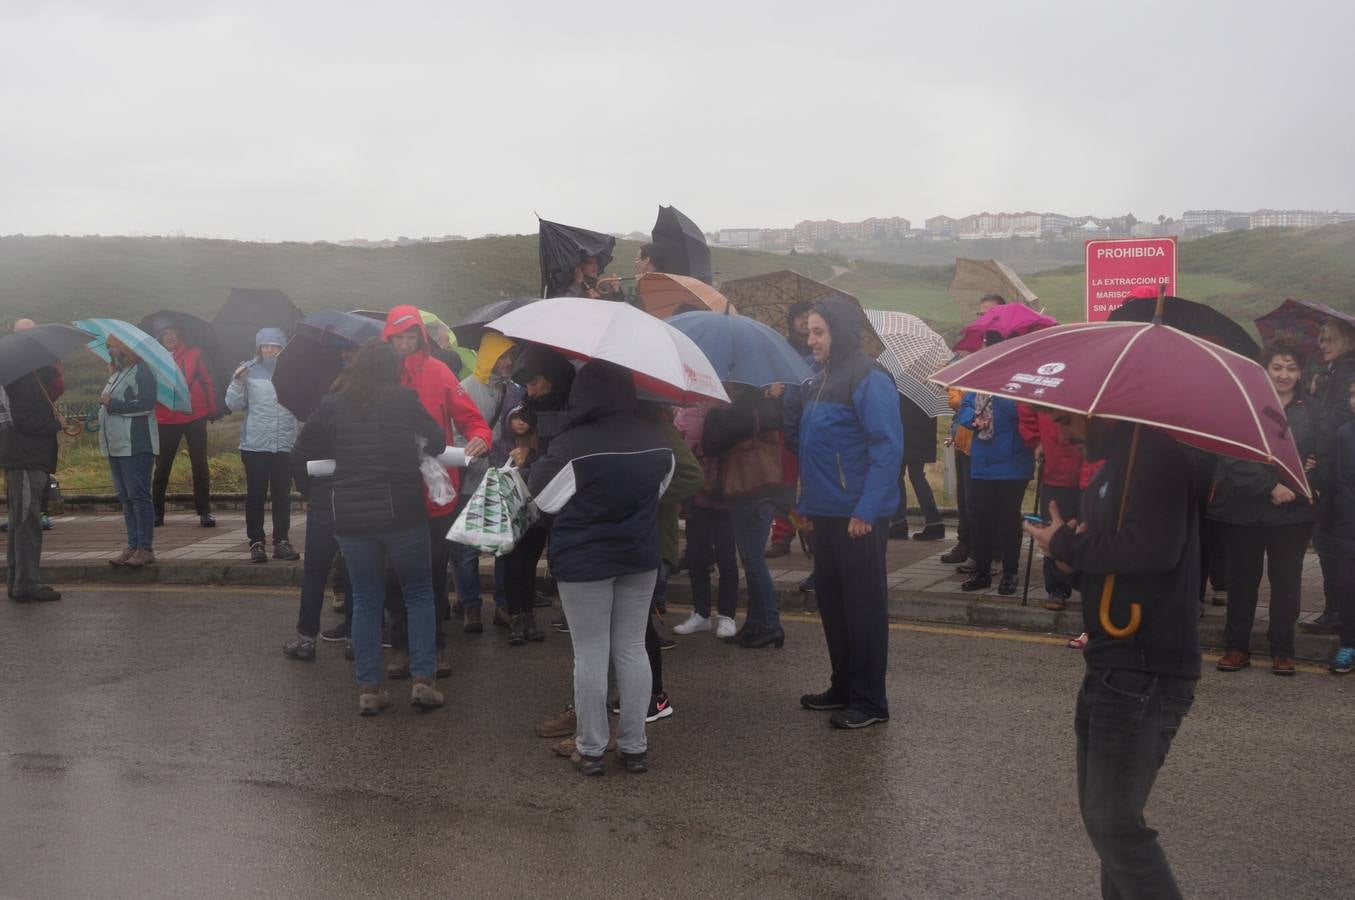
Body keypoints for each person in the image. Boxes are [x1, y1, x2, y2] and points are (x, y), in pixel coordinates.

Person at [1025, 414, 1204, 900]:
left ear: (1102, 410)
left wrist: (1065, 543)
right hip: (1113, 660)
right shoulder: (1119, 465)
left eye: (1068, 421)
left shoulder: (1156, 459)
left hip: (1143, 668)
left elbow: (1155, 550)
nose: (1063, 435)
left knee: (1113, 823)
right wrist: (1071, 559)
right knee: (1107, 822)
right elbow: (1118, 568)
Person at [528, 360, 674, 775]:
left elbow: (543, 503)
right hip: (639, 556)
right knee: (631, 649)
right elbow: (660, 491)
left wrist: (542, 460)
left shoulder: (573, 444)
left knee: (590, 652)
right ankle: (634, 746)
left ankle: (591, 747)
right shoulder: (657, 440)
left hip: (584, 560)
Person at [294, 340, 449, 714]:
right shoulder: (403, 399)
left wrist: (312, 490)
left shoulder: (333, 404)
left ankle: (369, 689)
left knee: (364, 599)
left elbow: (301, 451)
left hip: (350, 515)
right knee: (419, 592)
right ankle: (423, 680)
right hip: (403, 513)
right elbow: (439, 440)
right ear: (392, 368)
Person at [795, 297, 904, 729]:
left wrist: (868, 508)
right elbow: (814, 446)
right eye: (809, 332)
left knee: (863, 609)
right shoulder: (820, 377)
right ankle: (843, 686)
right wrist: (806, 504)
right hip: (826, 512)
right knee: (834, 607)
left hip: (858, 516)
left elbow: (887, 446)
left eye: (818, 331)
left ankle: (870, 700)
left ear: (838, 332)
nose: (811, 339)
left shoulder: (867, 375)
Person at [381, 306, 491, 676]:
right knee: (393, 572)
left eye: (411, 336)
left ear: (421, 337)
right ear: (388, 338)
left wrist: (480, 437)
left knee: (431, 572)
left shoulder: (440, 372)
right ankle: (400, 648)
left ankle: (433, 647)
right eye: (398, 337)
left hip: (436, 492)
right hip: (391, 490)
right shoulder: (378, 376)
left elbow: (471, 418)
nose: (405, 344)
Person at [1210, 341, 1317, 676]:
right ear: (1265, 369)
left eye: (1291, 368)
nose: (1284, 375)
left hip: (1293, 512)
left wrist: (1293, 487)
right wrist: (1270, 486)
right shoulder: (1244, 406)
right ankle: (1237, 647)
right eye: (1277, 367)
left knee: (1287, 582)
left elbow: (1317, 458)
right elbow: (1234, 452)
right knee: (1242, 581)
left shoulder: (1313, 411)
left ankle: (1282, 649)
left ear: (1300, 373)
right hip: (1245, 509)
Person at [703, 382, 790, 650]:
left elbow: (711, 444)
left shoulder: (739, 408)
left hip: (747, 491)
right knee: (750, 559)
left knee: (753, 560)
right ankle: (754, 624)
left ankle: (772, 624)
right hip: (767, 489)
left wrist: (715, 412)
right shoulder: (765, 404)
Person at [502, 345, 575, 642]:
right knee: (515, 554)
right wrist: (513, 424)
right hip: (525, 483)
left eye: (535, 384)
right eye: (527, 385)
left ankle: (527, 613)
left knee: (532, 555)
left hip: (556, 489)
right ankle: (516, 615)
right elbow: (512, 420)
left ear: (553, 378)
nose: (530, 391)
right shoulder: (530, 401)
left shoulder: (574, 403)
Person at [954, 335, 1034, 595]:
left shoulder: (1020, 379)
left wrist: (999, 394)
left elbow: (1023, 414)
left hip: (1013, 462)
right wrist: (973, 419)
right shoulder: (979, 379)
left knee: (1008, 518)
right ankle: (982, 572)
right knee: (981, 518)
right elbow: (965, 407)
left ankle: (1010, 572)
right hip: (982, 461)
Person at [456, 333, 518, 632]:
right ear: (490, 356)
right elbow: (456, 435)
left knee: (503, 545)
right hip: (472, 480)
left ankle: (504, 606)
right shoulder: (465, 390)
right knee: (468, 550)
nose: (509, 362)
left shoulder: (514, 390)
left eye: (511, 356)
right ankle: (470, 607)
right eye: (503, 355)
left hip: (502, 477)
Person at [226, 328, 300, 563]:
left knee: (282, 496)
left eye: (275, 346)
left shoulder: (293, 371)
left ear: (283, 348)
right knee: (256, 495)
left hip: (285, 444)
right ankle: (256, 542)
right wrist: (237, 381)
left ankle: (281, 541)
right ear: (258, 347)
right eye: (265, 346)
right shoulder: (247, 369)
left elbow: (302, 404)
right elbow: (234, 404)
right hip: (255, 445)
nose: (270, 350)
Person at [1019, 404, 1098, 610]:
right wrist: (1036, 440)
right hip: (1057, 459)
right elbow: (1028, 405)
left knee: (1092, 528)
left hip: (1093, 463)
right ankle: (1057, 587)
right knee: (1054, 526)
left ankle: (1093, 586)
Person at [672, 405, 741, 638]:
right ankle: (701, 613)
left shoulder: (730, 409)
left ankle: (727, 615)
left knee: (726, 559)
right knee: (696, 558)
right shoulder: (685, 412)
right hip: (697, 497)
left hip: (726, 496)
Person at [1305, 316, 1355, 634]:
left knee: (1330, 542)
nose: (1323, 345)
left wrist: (1315, 394)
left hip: (1335, 470)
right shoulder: (1332, 372)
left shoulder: (1345, 371)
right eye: (1321, 339)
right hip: (1330, 467)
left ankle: (1336, 611)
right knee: (1327, 542)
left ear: (1349, 341)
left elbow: (1336, 415)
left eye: (1330, 339)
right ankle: (1334, 609)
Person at [148, 321, 218, 528]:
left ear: (179, 334)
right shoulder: (152, 358)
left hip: (195, 415)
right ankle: (156, 513)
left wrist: (212, 409)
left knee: (200, 465)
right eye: (164, 334)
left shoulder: (194, 353)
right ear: (158, 338)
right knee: (162, 467)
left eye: (172, 332)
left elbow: (207, 381)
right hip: (165, 418)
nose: (169, 337)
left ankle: (204, 511)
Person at [1, 368, 63, 601]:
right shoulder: (23, 381)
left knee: (20, 524)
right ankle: (26, 585)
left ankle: (18, 581)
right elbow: (25, 421)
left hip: (25, 458)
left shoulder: (22, 379)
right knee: (27, 523)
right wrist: (54, 423)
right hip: (26, 459)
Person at [100, 336, 160, 567]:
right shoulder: (116, 373)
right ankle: (133, 544)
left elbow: (146, 404)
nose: (111, 351)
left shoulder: (142, 370)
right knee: (126, 498)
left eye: (114, 346)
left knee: (138, 496)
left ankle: (145, 547)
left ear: (126, 347)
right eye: (109, 347)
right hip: (116, 445)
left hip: (136, 444)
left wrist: (112, 404)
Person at [13, 318, 63, 531]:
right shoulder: (11, 361)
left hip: (39, 429)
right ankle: (21, 516)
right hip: (19, 434)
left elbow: (59, 385)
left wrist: (44, 404)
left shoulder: (47, 357)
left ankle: (40, 512)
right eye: (21, 332)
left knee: (40, 473)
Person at [1326, 381, 1355, 675]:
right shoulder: (1344, 434)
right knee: (1347, 587)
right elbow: (1335, 479)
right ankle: (1348, 643)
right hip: (1349, 524)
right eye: (1353, 394)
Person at [889, 394, 944, 541]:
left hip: (907, 433)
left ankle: (900, 522)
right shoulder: (929, 386)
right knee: (916, 476)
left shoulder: (906, 387)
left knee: (898, 475)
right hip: (920, 435)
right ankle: (934, 521)